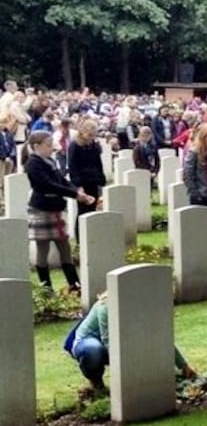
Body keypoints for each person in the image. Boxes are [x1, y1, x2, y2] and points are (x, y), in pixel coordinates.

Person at [67, 293, 195, 392]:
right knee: (94, 351)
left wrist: (183, 365)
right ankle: (96, 381)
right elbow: (109, 341)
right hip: (89, 343)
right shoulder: (105, 305)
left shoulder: (143, 307)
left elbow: (157, 336)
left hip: (123, 343)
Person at [24, 130, 92, 290]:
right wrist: (74, 194)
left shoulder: (50, 161)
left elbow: (61, 180)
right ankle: (46, 286)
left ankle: (74, 284)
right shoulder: (33, 164)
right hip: (41, 209)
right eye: (48, 145)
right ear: (36, 146)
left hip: (56, 207)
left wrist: (77, 191)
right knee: (43, 248)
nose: (51, 148)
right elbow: (47, 184)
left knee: (65, 247)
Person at [67, 119, 105, 241]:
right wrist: (78, 185)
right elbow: (73, 166)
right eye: (89, 135)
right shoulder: (75, 146)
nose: (91, 138)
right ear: (82, 132)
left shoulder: (94, 145)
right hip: (82, 181)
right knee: (82, 211)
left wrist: (100, 180)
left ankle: (90, 236)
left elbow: (98, 163)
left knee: (93, 209)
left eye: (93, 135)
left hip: (93, 180)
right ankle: (80, 238)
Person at [183, 122, 207, 226]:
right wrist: (195, 193)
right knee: (199, 226)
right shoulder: (194, 152)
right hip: (199, 194)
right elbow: (188, 174)